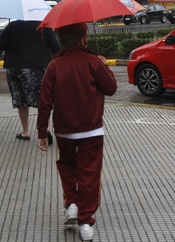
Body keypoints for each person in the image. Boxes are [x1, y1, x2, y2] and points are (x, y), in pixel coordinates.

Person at [37, 22, 117, 241]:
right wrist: (104, 65)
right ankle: (85, 221)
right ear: (83, 38)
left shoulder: (54, 66)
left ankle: (71, 204)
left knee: (67, 165)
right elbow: (111, 88)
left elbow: (45, 102)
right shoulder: (93, 62)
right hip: (92, 129)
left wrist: (41, 131)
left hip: (64, 131)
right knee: (89, 174)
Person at [0, 20, 60, 142]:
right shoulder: (44, 26)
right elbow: (56, 47)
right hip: (40, 68)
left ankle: (25, 131)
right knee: (43, 99)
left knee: (21, 99)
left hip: (17, 68)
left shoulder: (13, 26)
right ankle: (45, 129)